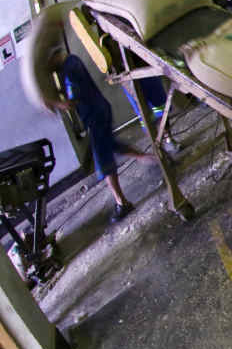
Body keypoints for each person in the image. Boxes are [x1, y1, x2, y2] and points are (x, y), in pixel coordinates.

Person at [47, 45, 154, 223]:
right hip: (100, 111)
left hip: (95, 116)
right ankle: (148, 158)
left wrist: (52, 103)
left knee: (103, 161)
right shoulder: (72, 61)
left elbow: (71, 102)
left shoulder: (69, 69)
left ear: (54, 56)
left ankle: (122, 203)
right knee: (111, 145)